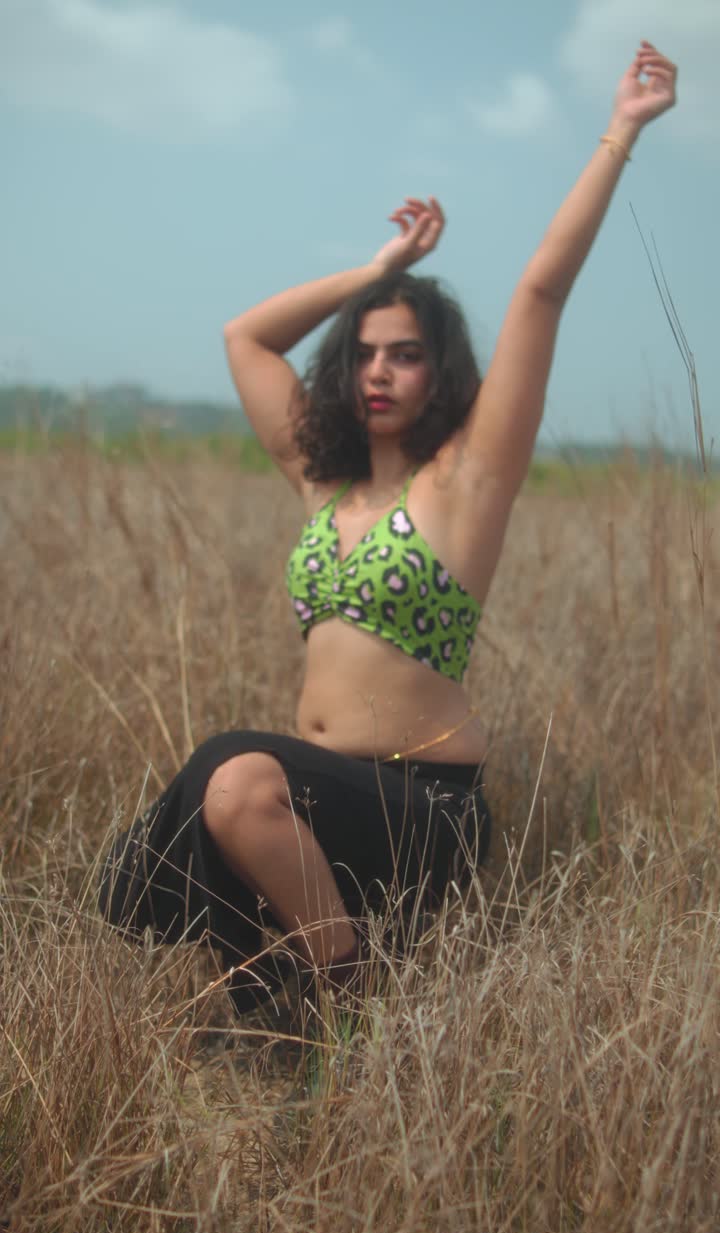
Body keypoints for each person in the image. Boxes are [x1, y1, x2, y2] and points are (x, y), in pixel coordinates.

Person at [99, 43, 677, 1014]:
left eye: (404, 354)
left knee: (231, 770)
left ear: (439, 371)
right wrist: (378, 270)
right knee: (240, 782)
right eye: (364, 353)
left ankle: (341, 977)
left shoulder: (468, 482)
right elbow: (247, 336)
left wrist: (622, 128)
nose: (377, 370)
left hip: (424, 809)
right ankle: (301, 993)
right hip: (317, 804)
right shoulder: (321, 486)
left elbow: (538, 290)